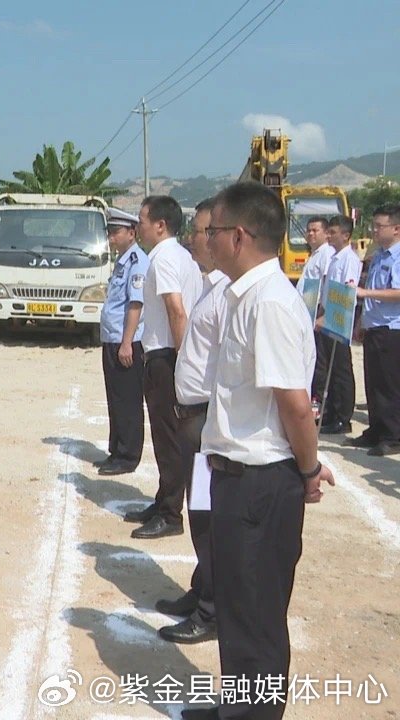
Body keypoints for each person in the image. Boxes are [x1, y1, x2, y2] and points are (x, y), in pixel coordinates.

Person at [187, 181, 334, 720]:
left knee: (257, 617)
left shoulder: (269, 303)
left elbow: (294, 405)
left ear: (239, 236)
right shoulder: (243, 296)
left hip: (259, 483)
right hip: (236, 477)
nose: (208, 240)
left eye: (214, 231)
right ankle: (237, 707)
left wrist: (310, 469)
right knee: (238, 609)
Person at [156, 197, 226, 645]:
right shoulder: (209, 286)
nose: (193, 239)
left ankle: (212, 609)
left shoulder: (227, 294)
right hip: (195, 418)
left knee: (206, 518)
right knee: (200, 512)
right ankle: (203, 589)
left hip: (208, 422)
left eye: (201, 231)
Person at [125, 195, 203, 539]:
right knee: (166, 436)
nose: (137, 226)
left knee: (168, 438)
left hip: (167, 356)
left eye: (141, 220)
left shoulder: (164, 259)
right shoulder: (180, 256)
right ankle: (162, 501)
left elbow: (176, 310)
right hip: (169, 354)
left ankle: (171, 513)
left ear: (160, 225)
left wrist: (183, 360)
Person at [96, 207, 147, 476]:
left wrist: (127, 342)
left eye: (115, 232)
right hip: (113, 339)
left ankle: (128, 456)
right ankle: (116, 449)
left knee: (127, 401)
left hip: (126, 341)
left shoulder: (138, 261)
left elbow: (135, 304)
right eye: (109, 233)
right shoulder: (123, 261)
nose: (111, 238)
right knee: (115, 399)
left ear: (132, 232)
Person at [347, 203, 400, 456]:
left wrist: (365, 292)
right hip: (374, 325)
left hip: (391, 328)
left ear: (396, 228)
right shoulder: (379, 254)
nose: (374, 230)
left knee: (390, 384)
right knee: (373, 382)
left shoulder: (398, 257)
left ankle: (393, 435)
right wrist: (360, 322)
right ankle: (376, 429)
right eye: (374, 225)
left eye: (380, 226)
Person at [316, 216, 363, 435]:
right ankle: (333, 413)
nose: (329, 235)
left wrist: (331, 317)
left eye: (333, 232)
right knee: (331, 370)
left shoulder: (349, 259)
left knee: (341, 370)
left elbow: (347, 291)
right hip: (329, 316)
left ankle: (344, 416)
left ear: (345, 235)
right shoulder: (335, 258)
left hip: (339, 319)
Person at [296, 216, 333, 417]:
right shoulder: (315, 254)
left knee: (319, 364)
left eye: (315, 230)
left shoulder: (326, 254)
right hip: (306, 312)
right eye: (308, 230)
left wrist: (321, 314)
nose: (310, 234)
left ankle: (320, 403)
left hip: (316, 314)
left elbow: (325, 287)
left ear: (326, 233)